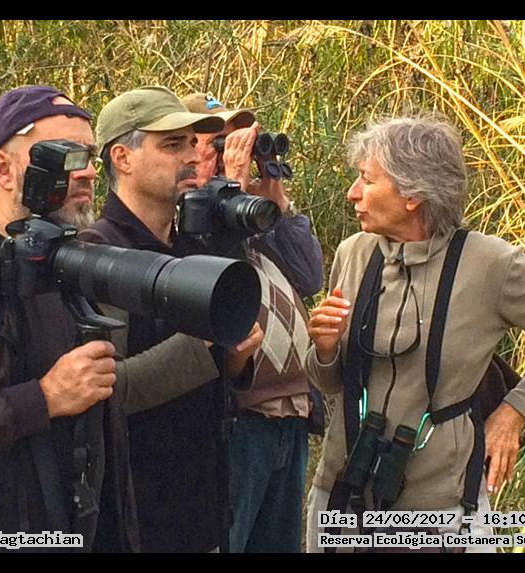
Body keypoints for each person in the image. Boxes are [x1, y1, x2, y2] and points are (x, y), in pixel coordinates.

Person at [0, 85, 239, 552]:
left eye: (88, 155)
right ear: (3, 169)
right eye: (64, 155)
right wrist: (43, 397)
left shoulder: (70, 267)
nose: (86, 171)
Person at [304, 115, 525, 553]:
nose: (353, 192)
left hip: (441, 508)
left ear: (412, 195)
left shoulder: (489, 264)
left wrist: (513, 414)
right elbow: (330, 382)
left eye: (366, 179)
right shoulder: (354, 254)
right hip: (342, 492)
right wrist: (325, 349)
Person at [81, 86, 263, 553]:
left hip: (201, 515)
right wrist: (203, 341)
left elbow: (213, 385)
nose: (192, 156)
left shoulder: (191, 248)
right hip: (133, 524)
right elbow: (107, 393)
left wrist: (235, 360)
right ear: (122, 157)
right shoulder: (96, 257)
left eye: (192, 143)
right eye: (172, 145)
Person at [182, 92, 324, 553]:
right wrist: (233, 189)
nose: (233, 154)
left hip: (289, 416)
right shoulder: (188, 216)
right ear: (187, 150)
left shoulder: (249, 218)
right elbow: (211, 277)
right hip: (238, 420)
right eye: (219, 143)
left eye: (238, 142)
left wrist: (275, 201)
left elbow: (309, 275)